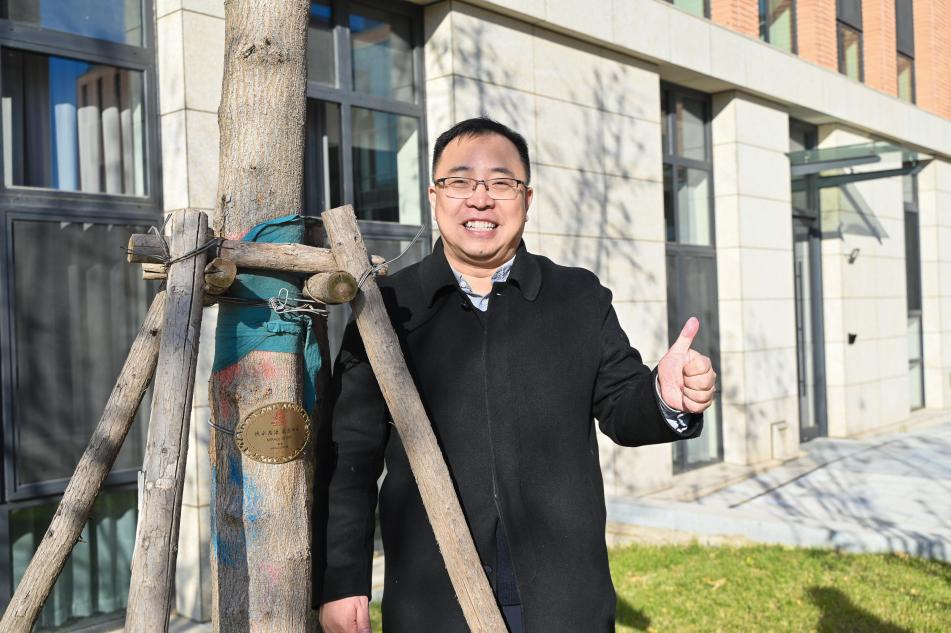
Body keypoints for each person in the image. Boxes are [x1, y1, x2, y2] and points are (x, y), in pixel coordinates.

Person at [314, 117, 717, 633]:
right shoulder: (388, 308)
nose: (480, 200)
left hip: (563, 599)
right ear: (434, 196)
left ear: (527, 199)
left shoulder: (577, 297)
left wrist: (665, 396)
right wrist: (342, 578)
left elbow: (623, 405)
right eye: (460, 182)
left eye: (501, 183)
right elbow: (350, 455)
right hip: (432, 598)